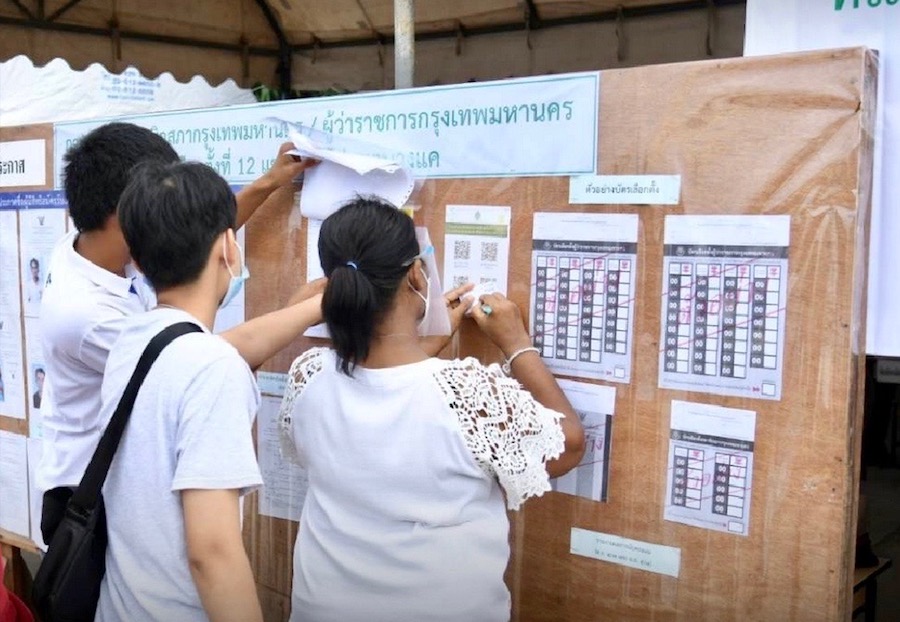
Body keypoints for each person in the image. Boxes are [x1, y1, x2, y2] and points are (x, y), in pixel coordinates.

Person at [278, 198, 586, 622]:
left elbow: (383, 392)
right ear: (415, 275)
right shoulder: (467, 392)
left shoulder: (307, 376)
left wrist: (427, 346)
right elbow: (568, 447)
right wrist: (516, 343)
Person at [37, 122, 320, 543]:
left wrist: (269, 183)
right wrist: (311, 308)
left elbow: (190, 238)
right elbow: (199, 359)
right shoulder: (87, 313)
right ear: (126, 215)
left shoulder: (92, 246)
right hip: (89, 502)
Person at [95, 160, 322, 621]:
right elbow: (213, 553)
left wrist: (313, 307)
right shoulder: (211, 367)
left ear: (136, 258)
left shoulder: (134, 340)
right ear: (228, 246)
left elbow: (218, 351)